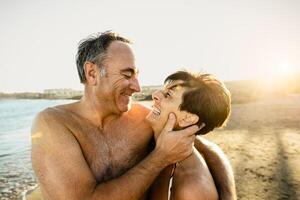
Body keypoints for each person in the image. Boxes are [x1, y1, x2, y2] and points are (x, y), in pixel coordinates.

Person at [31, 31, 236, 200]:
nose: (137, 87)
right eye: (127, 75)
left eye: (137, 75)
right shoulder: (53, 125)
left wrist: (227, 195)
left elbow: (202, 147)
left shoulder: (144, 119)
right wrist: (159, 158)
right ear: (92, 73)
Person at [148, 71, 232, 200]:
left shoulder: (191, 190)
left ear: (188, 119)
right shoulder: (150, 133)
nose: (155, 95)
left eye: (168, 94)